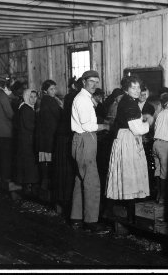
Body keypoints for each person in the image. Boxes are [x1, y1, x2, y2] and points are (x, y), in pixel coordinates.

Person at [106, 75, 153, 223]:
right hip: (127, 142)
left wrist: (142, 119)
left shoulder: (127, 101)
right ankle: (130, 217)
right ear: (126, 89)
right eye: (133, 87)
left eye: (139, 87)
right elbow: (138, 129)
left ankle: (117, 212)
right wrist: (149, 122)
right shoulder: (130, 103)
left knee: (127, 177)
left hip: (125, 139)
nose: (137, 90)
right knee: (130, 177)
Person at [70, 70, 110, 233]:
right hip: (85, 139)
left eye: (96, 81)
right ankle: (92, 221)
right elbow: (88, 126)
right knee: (92, 182)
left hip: (81, 140)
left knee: (80, 180)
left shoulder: (85, 98)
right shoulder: (83, 100)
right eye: (91, 81)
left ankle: (76, 217)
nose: (94, 84)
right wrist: (105, 126)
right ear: (84, 82)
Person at [53, 77, 81, 216]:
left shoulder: (71, 96)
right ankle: (66, 201)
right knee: (68, 170)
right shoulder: (76, 97)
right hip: (67, 137)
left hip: (63, 135)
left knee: (63, 171)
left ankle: (62, 200)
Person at [0, 75, 18, 191]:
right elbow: (9, 113)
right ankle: (6, 181)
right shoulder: (2, 95)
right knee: (6, 156)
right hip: (4, 131)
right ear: (4, 84)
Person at [36, 79, 63, 200]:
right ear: (45, 90)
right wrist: (62, 107)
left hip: (44, 135)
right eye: (51, 89)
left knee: (45, 161)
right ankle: (48, 187)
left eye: (54, 88)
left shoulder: (43, 101)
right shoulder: (50, 100)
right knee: (50, 161)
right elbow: (59, 115)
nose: (54, 91)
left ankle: (44, 186)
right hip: (50, 135)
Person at [16, 89, 40, 195]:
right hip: (27, 140)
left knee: (27, 162)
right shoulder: (26, 109)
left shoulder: (27, 108)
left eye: (35, 97)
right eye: (31, 97)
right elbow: (29, 126)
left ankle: (27, 184)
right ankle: (28, 184)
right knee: (29, 162)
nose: (34, 99)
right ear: (26, 97)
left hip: (26, 139)